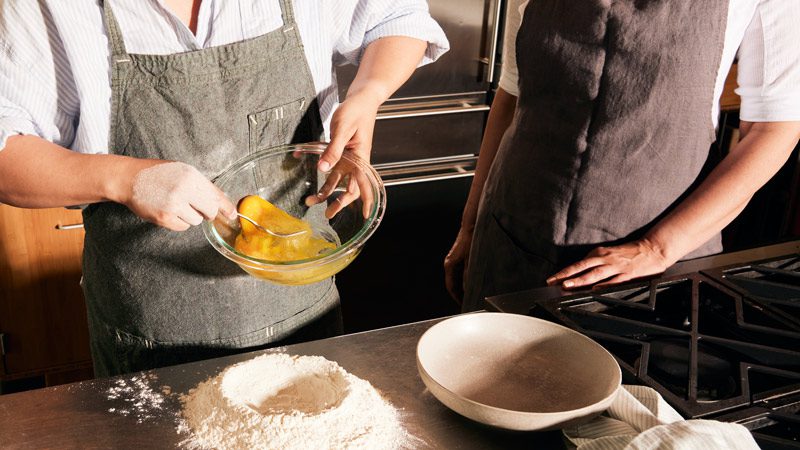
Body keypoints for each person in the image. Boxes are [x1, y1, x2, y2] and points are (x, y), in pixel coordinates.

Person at [0, 0, 448, 376]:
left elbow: (397, 18)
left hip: (302, 314)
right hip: (153, 338)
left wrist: (368, 94)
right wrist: (123, 178)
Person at [445, 0, 800, 312]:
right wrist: (471, 223)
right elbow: (511, 94)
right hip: (512, 237)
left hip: (648, 259)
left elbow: (774, 130)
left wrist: (657, 248)